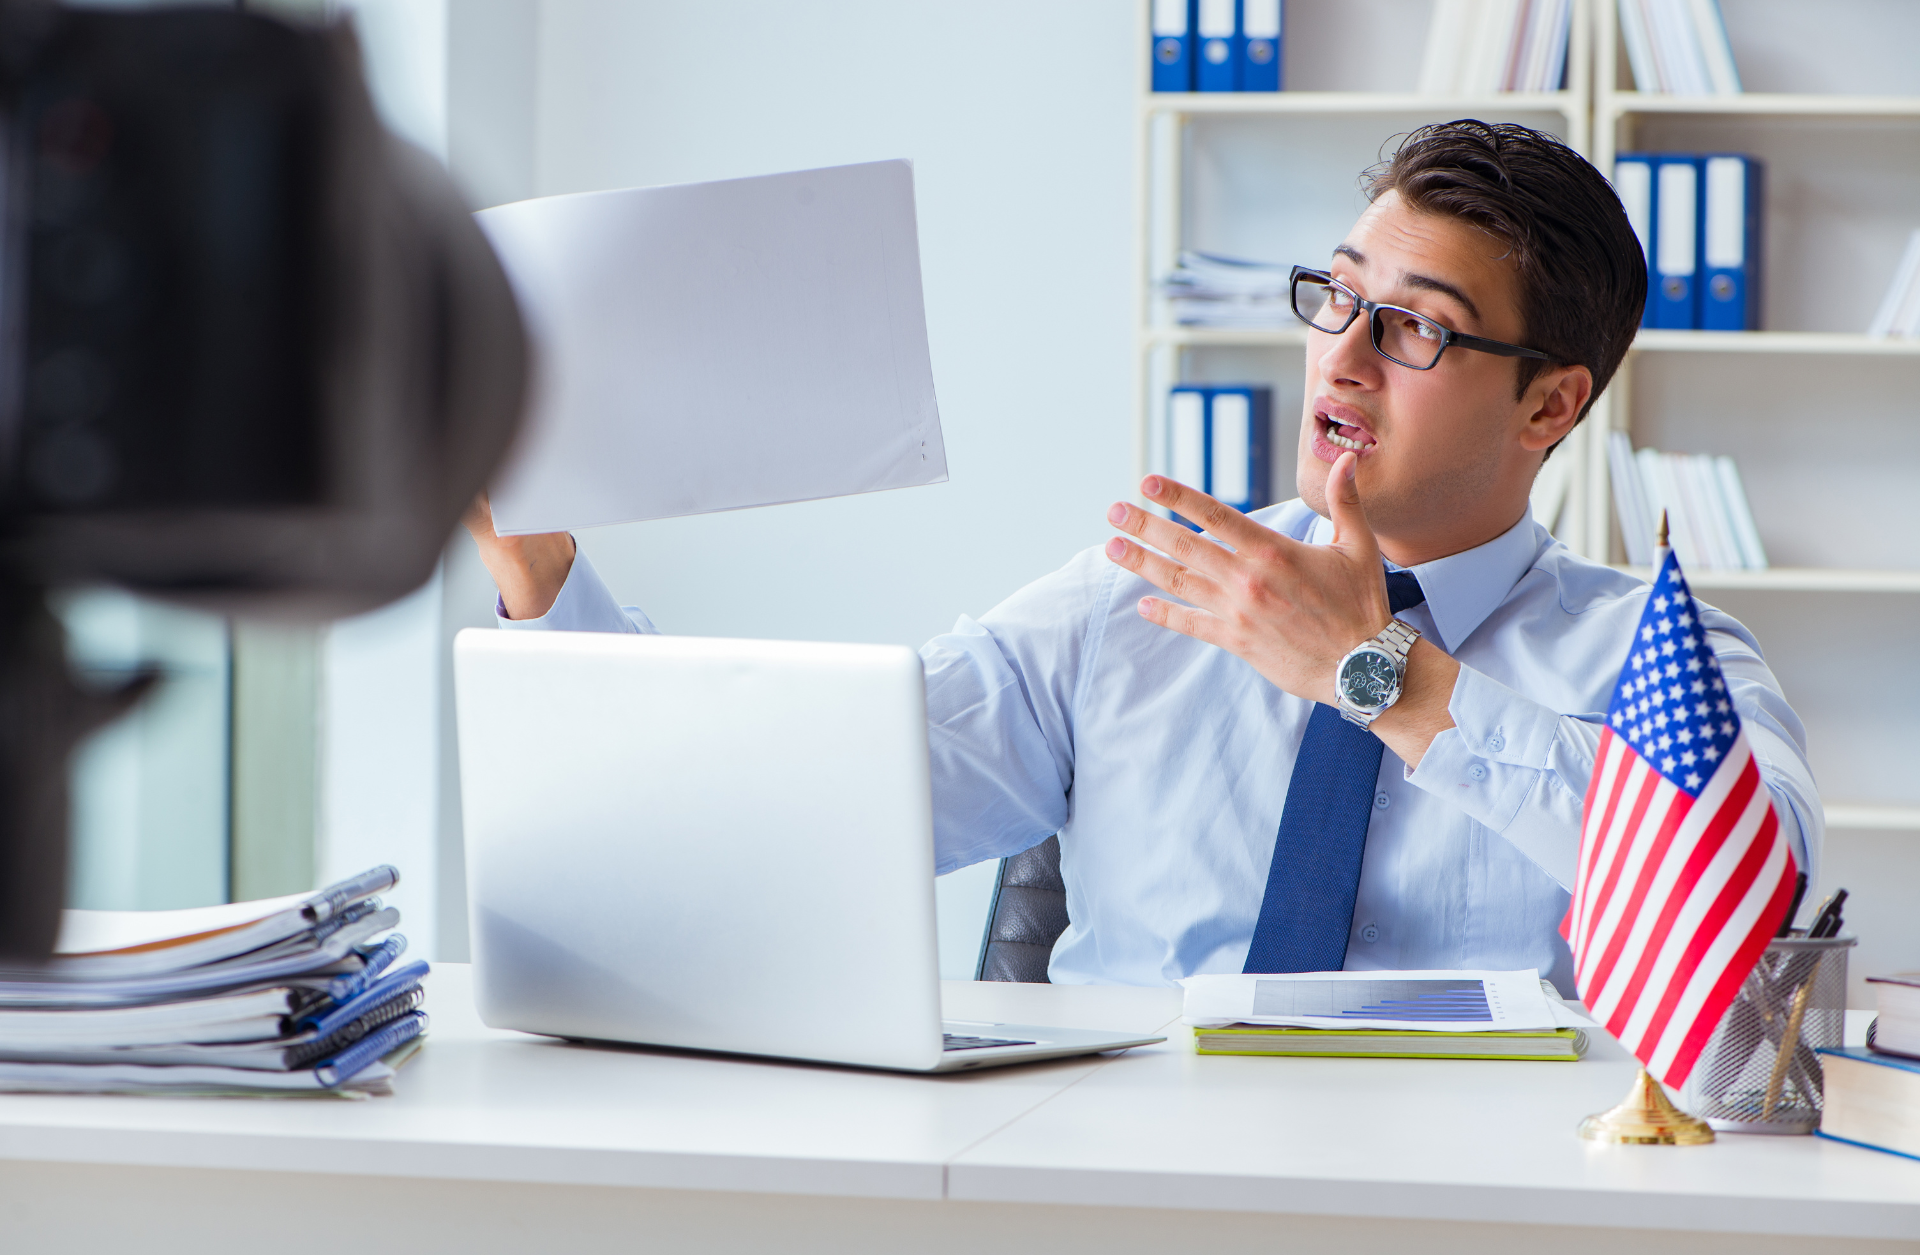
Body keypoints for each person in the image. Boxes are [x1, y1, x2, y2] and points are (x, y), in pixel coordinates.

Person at [463, 120, 1818, 993]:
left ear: (1549, 405)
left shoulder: (1656, 657)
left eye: (1414, 330)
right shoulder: (1140, 593)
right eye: (1337, 297)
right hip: (1120, 1199)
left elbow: (1755, 900)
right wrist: (544, 574)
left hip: (1480, 1221)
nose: (1339, 355)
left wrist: (1377, 676)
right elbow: (787, 804)